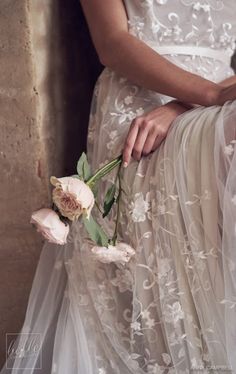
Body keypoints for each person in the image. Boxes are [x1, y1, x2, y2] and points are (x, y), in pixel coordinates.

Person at [1, 0, 236, 373]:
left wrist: (188, 105)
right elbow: (112, 42)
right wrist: (207, 97)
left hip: (216, 103)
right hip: (140, 107)